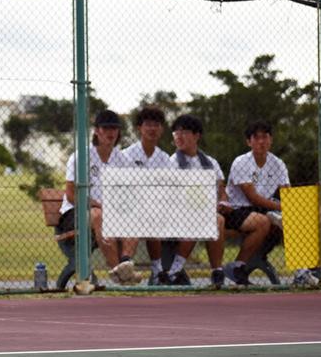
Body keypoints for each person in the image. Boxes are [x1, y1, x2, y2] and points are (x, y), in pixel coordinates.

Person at [169, 114, 263, 287]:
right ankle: (210, 271)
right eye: (176, 132)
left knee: (260, 221)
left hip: (214, 210)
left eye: (184, 132)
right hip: (185, 213)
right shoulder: (172, 163)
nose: (179, 136)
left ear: (197, 135)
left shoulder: (210, 162)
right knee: (216, 221)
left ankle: (237, 267)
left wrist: (224, 203)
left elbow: (222, 190)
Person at [61, 109, 141, 285]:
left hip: (109, 212)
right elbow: (71, 194)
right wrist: (98, 204)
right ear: (97, 131)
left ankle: (124, 263)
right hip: (74, 213)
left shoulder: (122, 160)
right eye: (106, 128)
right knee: (98, 215)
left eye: (115, 128)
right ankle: (120, 275)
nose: (111, 132)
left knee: (133, 216)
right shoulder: (81, 156)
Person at [225, 120, 289, 281]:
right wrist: (281, 206)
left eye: (265, 137)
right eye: (256, 138)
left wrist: (291, 207)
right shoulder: (241, 162)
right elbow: (252, 197)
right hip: (236, 210)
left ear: (271, 139)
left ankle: (304, 270)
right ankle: (238, 266)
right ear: (249, 142)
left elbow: (287, 192)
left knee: (291, 220)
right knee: (263, 222)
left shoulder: (278, 164)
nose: (261, 141)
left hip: (264, 208)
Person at [121, 106, 172, 284]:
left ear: (162, 129)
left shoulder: (165, 159)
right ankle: (133, 266)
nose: (152, 129)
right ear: (139, 128)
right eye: (148, 124)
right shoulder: (126, 155)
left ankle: (160, 271)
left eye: (156, 125)